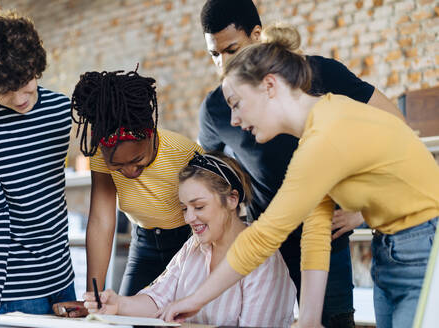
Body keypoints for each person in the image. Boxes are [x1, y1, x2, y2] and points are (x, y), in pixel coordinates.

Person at [159, 24, 439, 328]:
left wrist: (193, 301)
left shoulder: (325, 138)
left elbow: (265, 235)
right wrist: (308, 318)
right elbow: (315, 228)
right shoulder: (317, 130)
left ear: (269, 86)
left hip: (423, 248)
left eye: (237, 104)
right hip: (392, 250)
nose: (235, 120)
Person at [197, 1, 405, 326]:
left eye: (231, 49)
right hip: (268, 242)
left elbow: (396, 128)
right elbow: (212, 178)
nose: (222, 63)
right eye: (214, 54)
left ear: (256, 35)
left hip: (326, 233)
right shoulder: (215, 108)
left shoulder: (319, 78)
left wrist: (363, 209)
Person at [0, 11, 75, 314]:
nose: (20, 98)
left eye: (25, 83)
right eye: (5, 91)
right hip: (12, 289)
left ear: (35, 66)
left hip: (63, 279)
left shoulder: (62, 110)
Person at [83, 152, 296, 327]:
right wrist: (118, 305)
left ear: (232, 199)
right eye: (185, 208)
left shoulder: (264, 259)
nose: (189, 218)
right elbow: (158, 299)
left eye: (199, 206)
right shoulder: (193, 246)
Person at [53, 69, 203, 317]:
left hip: (190, 245)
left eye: (138, 160)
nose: (130, 171)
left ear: (151, 133)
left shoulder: (185, 154)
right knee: (120, 318)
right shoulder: (101, 156)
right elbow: (101, 221)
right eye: (118, 167)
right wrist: (93, 300)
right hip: (144, 245)